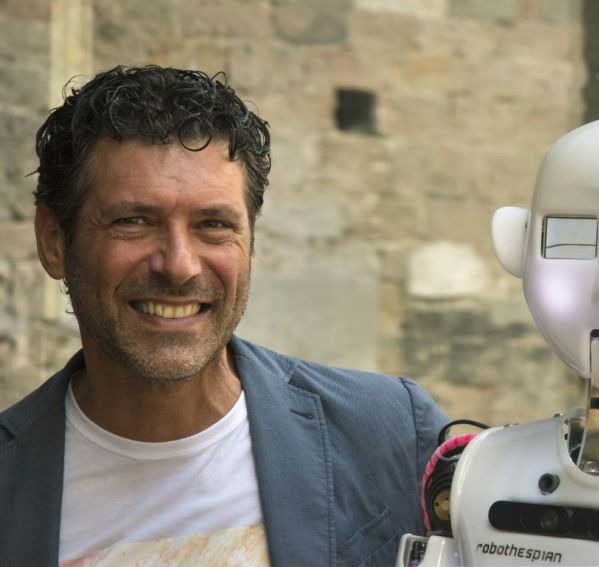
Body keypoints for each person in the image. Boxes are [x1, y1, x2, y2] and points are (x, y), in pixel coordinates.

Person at [0, 65, 448, 566]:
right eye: (134, 221)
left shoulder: (392, 436)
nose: (179, 266)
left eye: (213, 225)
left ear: (250, 245)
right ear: (53, 241)